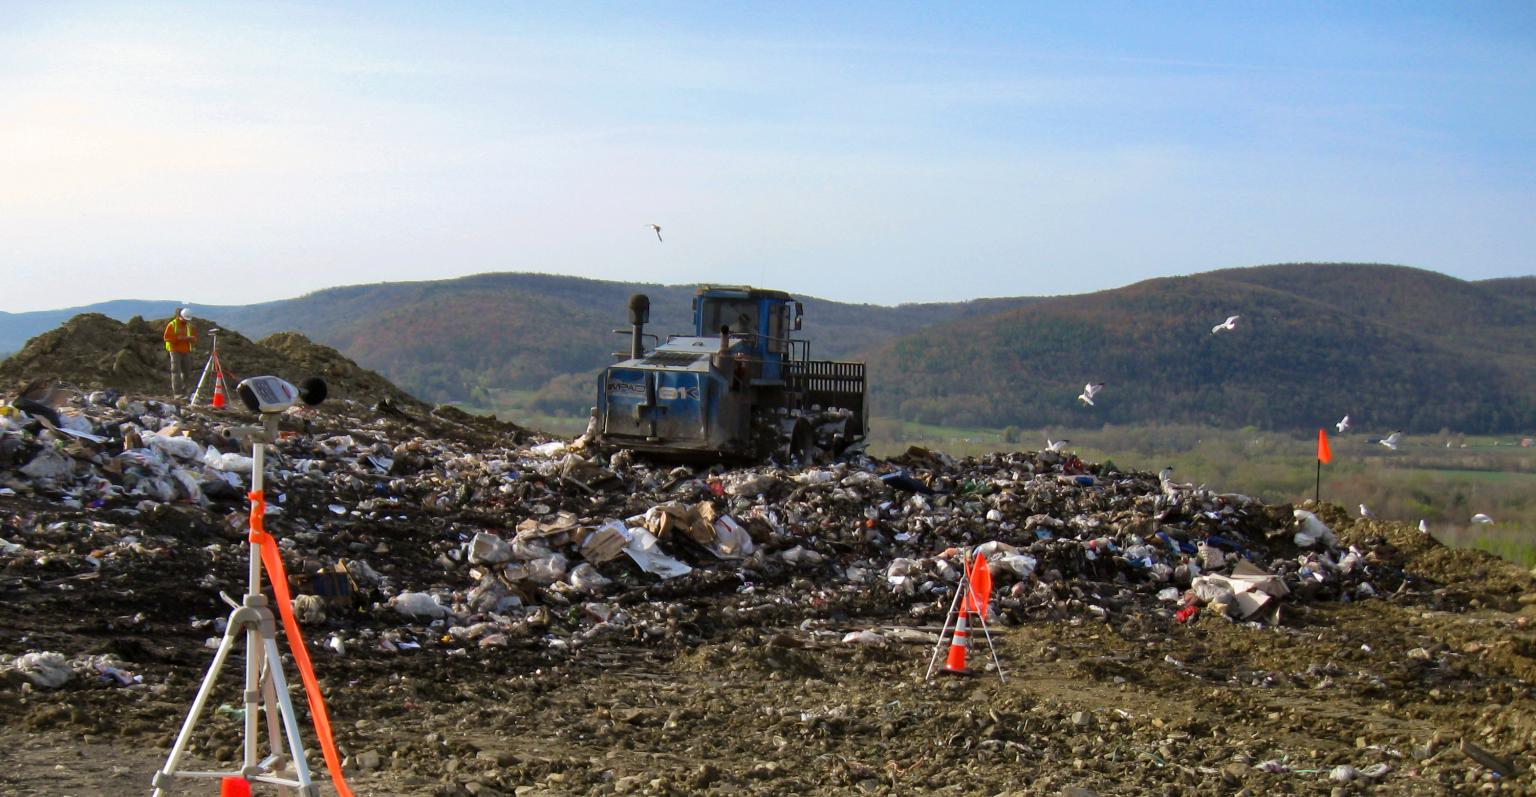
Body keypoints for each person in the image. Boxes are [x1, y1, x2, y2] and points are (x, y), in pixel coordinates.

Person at [163, 307, 195, 399]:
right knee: (176, 372)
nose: (186, 321)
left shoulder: (189, 326)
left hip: (186, 351)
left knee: (187, 372)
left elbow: (194, 338)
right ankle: (177, 393)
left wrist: (191, 339)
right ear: (180, 316)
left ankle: (184, 392)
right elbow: (166, 338)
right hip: (175, 351)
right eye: (185, 319)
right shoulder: (172, 325)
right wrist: (180, 338)